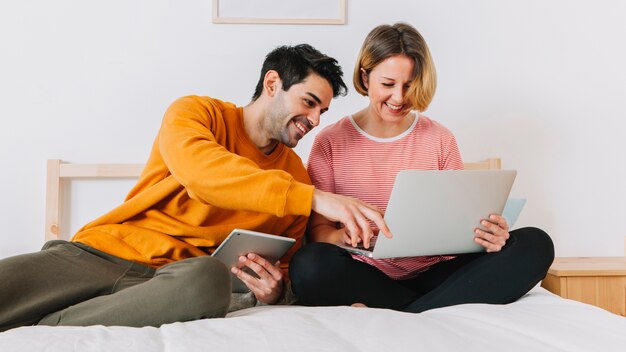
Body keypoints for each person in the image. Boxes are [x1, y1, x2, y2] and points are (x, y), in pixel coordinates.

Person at [0, 44, 391, 332]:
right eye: (308, 102)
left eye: (322, 111)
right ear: (272, 83)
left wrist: (275, 292)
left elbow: (285, 266)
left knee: (209, 278)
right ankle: (57, 318)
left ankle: (45, 332)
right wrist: (316, 197)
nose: (314, 120)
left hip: (176, 282)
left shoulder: (296, 177)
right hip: (100, 254)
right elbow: (204, 174)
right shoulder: (196, 113)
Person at [289, 23, 554, 312]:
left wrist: (490, 236)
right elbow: (319, 234)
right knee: (308, 265)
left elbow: (461, 223)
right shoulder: (330, 141)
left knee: (535, 244)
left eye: (409, 85)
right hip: (366, 275)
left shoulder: (439, 138)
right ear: (365, 78)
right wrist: (344, 236)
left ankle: (407, 311)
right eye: (388, 84)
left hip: (436, 275)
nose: (399, 98)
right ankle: (433, 309)